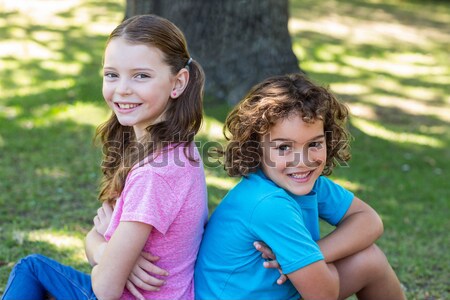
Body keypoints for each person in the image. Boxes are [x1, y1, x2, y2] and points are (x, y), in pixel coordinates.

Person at [2, 14, 208, 300]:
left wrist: (102, 247)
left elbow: (106, 288)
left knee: (31, 268)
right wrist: (106, 249)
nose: (122, 88)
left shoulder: (154, 174)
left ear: (178, 82)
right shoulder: (180, 149)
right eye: (112, 74)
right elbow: (99, 238)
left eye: (141, 75)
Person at [194, 73, 405, 300]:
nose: (302, 161)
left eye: (314, 144)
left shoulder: (308, 182)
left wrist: (316, 254)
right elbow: (323, 294)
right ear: (257, 149)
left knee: (370, 259)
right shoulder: (267, 204)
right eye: (284, 148)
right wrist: (309, 259)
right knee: (367, 260)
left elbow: (369, 220)